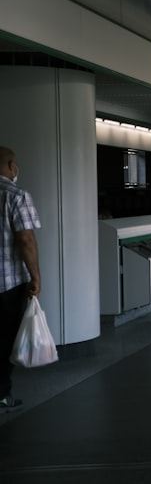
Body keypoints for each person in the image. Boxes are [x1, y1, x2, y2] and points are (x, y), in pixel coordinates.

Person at [0, 146, 42, 412]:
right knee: (4, 340)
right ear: (12, 165)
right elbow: (25, 239)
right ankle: (2, 395)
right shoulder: (16, 195)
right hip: (7, 284)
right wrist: (35, 275)